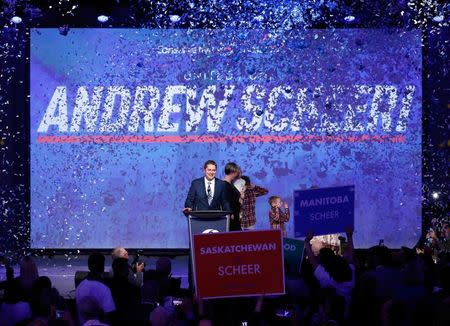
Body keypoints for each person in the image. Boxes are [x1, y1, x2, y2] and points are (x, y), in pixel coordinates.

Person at [76, 253, 115, 325]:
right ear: (102, 267)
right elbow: (110, 315)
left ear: (89, 266)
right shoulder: (104, 289)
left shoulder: (80, 286)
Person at [223, 162, 243, 231]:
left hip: (235, 215)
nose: (237, 175)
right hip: (231, 217)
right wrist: (230, 213)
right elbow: (226, 200)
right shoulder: (225, 185)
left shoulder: (231, 185)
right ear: (232, 171)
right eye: (236, 172)